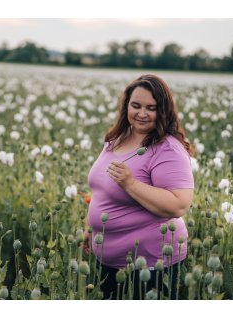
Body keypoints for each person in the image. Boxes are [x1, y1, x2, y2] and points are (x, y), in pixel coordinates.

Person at [84, 74, 194, 300]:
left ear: (163, 111)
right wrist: (90, 227)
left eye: (151, 108)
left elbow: (178, 204)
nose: (142, 113)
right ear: (126, 107)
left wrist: (130, 183)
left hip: (151, 264)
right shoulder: (117, 138)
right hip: (109, 261)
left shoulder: (168, 148)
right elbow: (101, 189)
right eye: (136, 106)